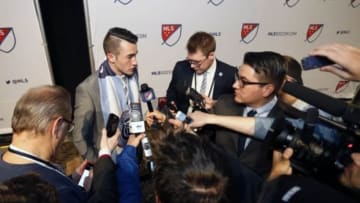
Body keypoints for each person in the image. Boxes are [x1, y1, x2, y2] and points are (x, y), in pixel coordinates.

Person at [0, 85, 120, 203]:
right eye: (68, 127)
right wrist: (105, 154)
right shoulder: (60, 191)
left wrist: (71, 180)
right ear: (57, 126)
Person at [201, 51, 286, 177]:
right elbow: (202, 140)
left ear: (267, 89)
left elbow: (269, 128)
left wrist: (213, 118)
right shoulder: (224, 104)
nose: (235, 85)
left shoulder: (286, 120)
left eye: (244, 82)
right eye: (237, 78)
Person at [72, 27, 140, 162]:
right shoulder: (88, 89)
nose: (135, 62)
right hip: (110, 161)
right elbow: (79, 138)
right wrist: (101, 163)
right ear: (111, 57)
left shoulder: (132, 73)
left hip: (133, 151)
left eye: (136, 55)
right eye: (130, 56)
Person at [166, 31, 237, 114]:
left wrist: (215, 104)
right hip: (184, 121)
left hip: (214, 123)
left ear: (211, 55)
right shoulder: (181, 68)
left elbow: (234, 105)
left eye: (196, 62)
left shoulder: (230, 73)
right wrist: (172, 104)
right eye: (190, 60)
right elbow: (172, 92)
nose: (192, 66)